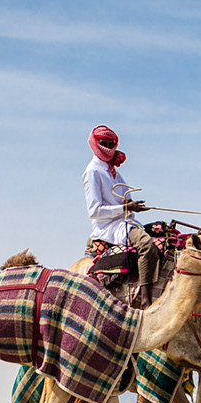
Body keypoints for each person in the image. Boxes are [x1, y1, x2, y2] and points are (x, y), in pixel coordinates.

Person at [83, 125, 161, 302]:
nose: (108, 148)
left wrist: (131, 206)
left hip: (126, 221)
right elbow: (95, 211)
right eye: (104, 143)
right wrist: (126, 208)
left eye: (112, 144)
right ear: (94, 144)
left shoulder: (112, 172)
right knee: (146, 245)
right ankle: (146, 298)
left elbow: (119, 200)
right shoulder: (92, 172)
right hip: (109, 227)